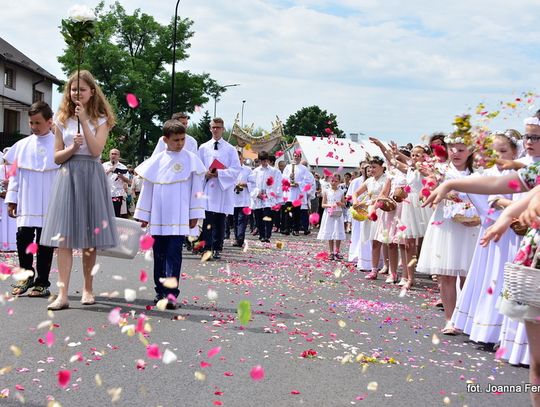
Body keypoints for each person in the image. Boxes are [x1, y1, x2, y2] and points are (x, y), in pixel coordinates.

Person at [40, 70, 118, 310]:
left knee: (89, 238)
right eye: (73, 89)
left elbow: (96, 151)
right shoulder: (61, 118)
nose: (77, 93)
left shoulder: (102, 118)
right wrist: (72, 147)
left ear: (92, 91)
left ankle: (87, 288)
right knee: (63, 238)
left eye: (82, 89)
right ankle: (62, 294)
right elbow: (56, 157)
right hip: (68, 175)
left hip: (91, 175)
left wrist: (84, 120)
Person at [134, 120, 206, 309]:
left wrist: (195, 213)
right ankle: (160, 291)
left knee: (174, 255)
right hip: (158, 217)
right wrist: (144, 214)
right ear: (165, 140)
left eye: (182, 139)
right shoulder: (155, 162)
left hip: (180, 218)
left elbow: (196, 190)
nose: (180, 143)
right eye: (176, 140)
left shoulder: (191, 159)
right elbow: (147, 189)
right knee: (159, 255)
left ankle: (171, 294)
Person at [416, 133, 480, 335]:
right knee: (446, 274)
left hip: (469, 225)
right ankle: (450, 319)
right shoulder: (440, 171)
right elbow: (425, 194)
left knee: (467, 274)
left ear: (469, 151)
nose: (456, 153)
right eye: (453, 149)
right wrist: (437, 191)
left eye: (461, 149)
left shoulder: (477, 173)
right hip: (446, 225)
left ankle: (466, 316)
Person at [5, 101, 59, 297]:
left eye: (38, 123)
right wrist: (12, 199)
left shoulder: (58, 144)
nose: (34, 127)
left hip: (50, 201)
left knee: (45, 242)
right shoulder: (22, 146)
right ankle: (26, 275)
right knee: (23, 238)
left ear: (49, 121)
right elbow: (15, 175)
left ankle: (42, 281)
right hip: (27, 199)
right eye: (31, 123)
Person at [198, 118, 241, 259]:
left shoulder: (230, 149)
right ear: (210, 129)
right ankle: (207, 247)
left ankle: (217, 247)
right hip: (209, 188)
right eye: (213, 127)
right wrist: (206, 173)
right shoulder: (203, 147)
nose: (215, 129)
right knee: (208, 220)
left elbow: (236, 169)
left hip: (222, 189)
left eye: (218, 127)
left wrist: (220, 173)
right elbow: (198, 167)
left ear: (223, 129)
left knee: (220, 221)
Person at [248, 151, 278, 243]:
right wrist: (256, 193)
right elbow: (251, 184)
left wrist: (268, 194)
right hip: (258, 197)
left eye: (265, 161)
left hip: (268, 197)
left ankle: (267, 235)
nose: (263, 163)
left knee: (267, 216)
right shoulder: (255, 171)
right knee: (258, 217)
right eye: (261, 161)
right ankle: (261, 234)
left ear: (267, 160)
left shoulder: (273, 171)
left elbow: (277, 184)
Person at [317, 174, 346, 260]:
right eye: (332, 181)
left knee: (337, 231)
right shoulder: (326, 191)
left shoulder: (341, 192)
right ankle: (331, 251)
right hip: (329, 213)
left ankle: (337, 251)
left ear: (339, 182)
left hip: (337, 214)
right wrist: (330, 206)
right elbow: (322, 204)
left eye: (336, 181)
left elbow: (344, 204)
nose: (333, 183)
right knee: (330, 231)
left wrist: (340, 204)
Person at [282, 150, 309, 235]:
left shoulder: (304, 168)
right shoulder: (288, 167)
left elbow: (307, 180)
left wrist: (299, 184)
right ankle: (287, 228)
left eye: (297, 156)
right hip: (289, 193)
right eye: (294, 156)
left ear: (300, 157)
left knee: (296, 213)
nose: (296, 157)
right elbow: (283, 178)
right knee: (288, 211)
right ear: (293, 157)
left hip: (297, 193)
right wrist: (289, 178)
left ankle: (296, 229)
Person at [232, 151, 252, 247]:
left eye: (239, 159)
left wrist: (245, 184)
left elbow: (253, 183)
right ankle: (237, 238)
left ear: (242, 158)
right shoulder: (231, 169)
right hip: (233, 199)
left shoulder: (248, 170)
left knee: (242, 220)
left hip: (244, 200)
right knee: (235, 220)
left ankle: (240, 238)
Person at [103, 149, 129, 217]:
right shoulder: (104, 165)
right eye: (112, 154)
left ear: (119, 156)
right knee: (104, 215)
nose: (113, 156)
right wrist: (108, 171)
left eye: (115, 154)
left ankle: (114, 227)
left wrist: (121, 176)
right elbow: (98, 178)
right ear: (109, 155)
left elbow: (129, 181)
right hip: (105, 194)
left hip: (117, 194)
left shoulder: (123, 167)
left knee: (116, 215)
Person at [0, 148, 16, 252]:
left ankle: (14, 244)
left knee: (13, 222)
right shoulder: (1, 168)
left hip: (13, 198)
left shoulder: (17, 168)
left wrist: (10, 185)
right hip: (2, 198)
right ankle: (4, 245)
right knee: (3, 222)